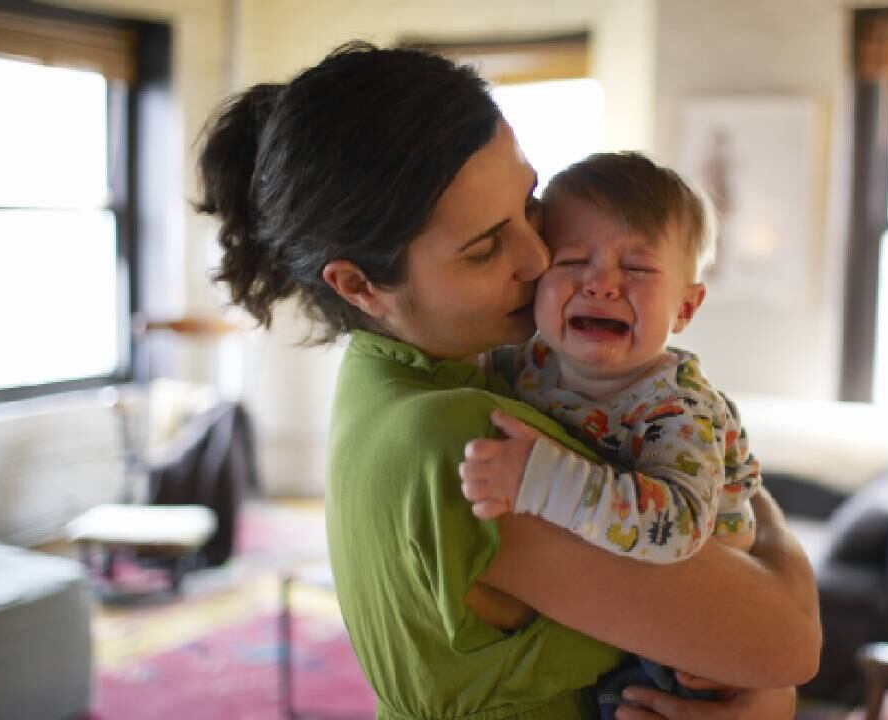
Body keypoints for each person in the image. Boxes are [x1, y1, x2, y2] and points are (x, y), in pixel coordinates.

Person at [196, 42, 820, 720]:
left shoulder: (419, 377)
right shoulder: (471, 442)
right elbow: (788, 642)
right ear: (359, 285)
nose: (539, 257)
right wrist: (770, 534)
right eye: (486, 247)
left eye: (530, 205)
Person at [456, 152, 763, 716]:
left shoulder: (678, 408)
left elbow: (678, 527)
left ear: (686, 306)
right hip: (595, 595)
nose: (600, 283)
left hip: (688, 624)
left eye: (639, 269)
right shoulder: (525, 362)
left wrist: (539, 478)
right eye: (572, 260)